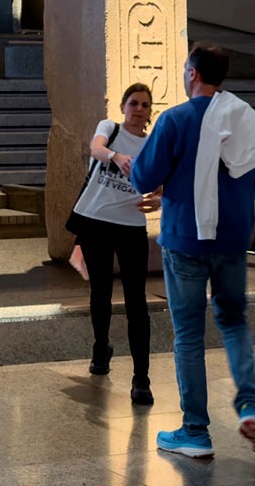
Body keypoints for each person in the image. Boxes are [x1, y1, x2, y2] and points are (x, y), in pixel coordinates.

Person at [118, 43, 255, 460]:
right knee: (233, 322)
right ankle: (251, 407)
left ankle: (195, 431)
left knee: (189, 335)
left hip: (185, 239)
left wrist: (164, 181)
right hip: (232, 239)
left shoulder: (175, 119)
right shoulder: (244, 119)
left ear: (192, 73)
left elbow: (143, 177)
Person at [66, 83, 160, 402]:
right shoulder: (111, 128)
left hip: (130, 224)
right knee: (101, 290)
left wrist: (159, 198)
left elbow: (162, 182)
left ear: (149, 112)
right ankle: (100, 346)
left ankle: (141, 378)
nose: (138, 109)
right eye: (133, 103)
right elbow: (96, 148)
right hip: (95, 221)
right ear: (123, 107)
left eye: (145, 105)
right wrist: (116, 156)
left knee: (137, 300)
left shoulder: (152, 143)